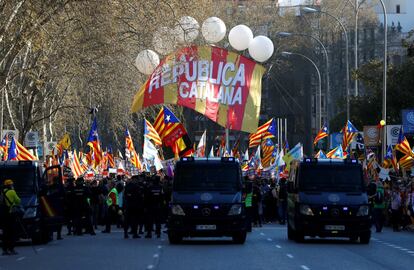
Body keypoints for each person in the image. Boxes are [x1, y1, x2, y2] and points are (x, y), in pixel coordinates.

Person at [1, 179, 21, 255]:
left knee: (5, 233)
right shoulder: (12, 192)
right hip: (10, 214)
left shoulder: (2, 192)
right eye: (12, 184)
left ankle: (4, 249)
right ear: (10, 185)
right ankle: (11, 249)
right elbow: (18, 201)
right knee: (12, 232)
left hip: (3, 215)